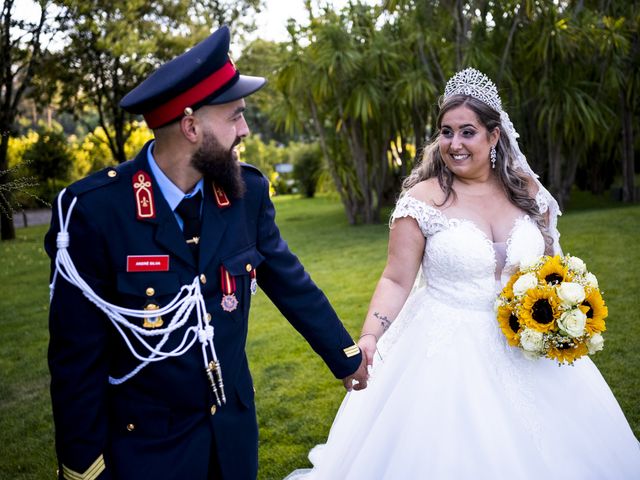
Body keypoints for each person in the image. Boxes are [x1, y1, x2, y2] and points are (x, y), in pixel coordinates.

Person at [45, 26, 368, 480]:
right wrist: (82, 467)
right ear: (191, 126)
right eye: (235, 116)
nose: (245, 129)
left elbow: (288, 280)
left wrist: (345, 356)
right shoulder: (95, 213)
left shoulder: (244, 193)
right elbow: (75, 358)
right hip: (146, 449)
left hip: (232, 435)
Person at [286, 68, 640, 479]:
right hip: (444, 349)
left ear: (493, 136)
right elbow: (396, 279)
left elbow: (551, 269)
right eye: (446, 132)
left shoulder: (528, 193)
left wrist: (563, 312)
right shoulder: (422, 201)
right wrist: (370, 335)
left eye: (467, 132)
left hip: (527, 345)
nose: (454, 144)